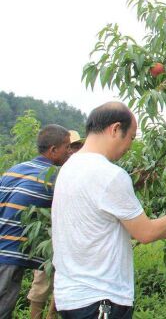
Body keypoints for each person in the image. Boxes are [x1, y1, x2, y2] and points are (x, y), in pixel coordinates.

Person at [51, 102, 166, 318]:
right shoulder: (109, 174)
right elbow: (145, 233)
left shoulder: (69, 168)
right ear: (115, 129)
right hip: (101, 299)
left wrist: (161, 229)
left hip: (71, 297)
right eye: (131, 137)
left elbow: (93, 223)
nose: (130, 145)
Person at [0, 124, 71, 319]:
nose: (69, 151)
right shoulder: (54, 177)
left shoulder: (15, 170)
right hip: (10, 252)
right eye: (67, 147)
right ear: (53, 150)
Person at [28, 130, 85, 319]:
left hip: (70, 238)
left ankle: (51, 315)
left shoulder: (79, 172)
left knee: (62, 282)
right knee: (41, 281)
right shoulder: (52, 173)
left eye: (77, 147)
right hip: (48, 236)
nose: (73, 151)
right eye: (70, 147)